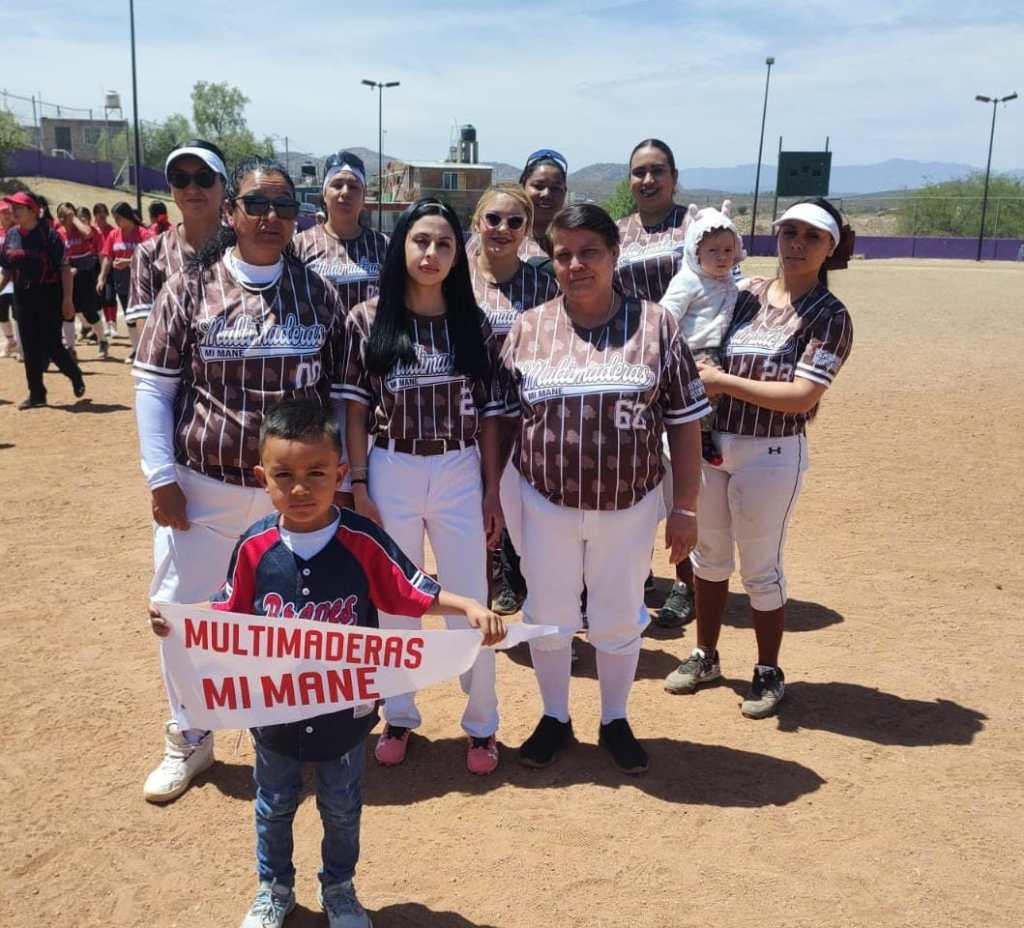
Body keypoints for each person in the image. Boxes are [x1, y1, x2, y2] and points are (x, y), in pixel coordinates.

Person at [149, 399, 506, 928]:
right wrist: (180, 618)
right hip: (273, 715)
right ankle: (275, 889)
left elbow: (410, 592)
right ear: (262, 479)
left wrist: (469, 606)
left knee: (341, 810)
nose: (300, 488)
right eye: (283, 475)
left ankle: (339, 889)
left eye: (316, 474)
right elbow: (227, 611)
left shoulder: (361, 542)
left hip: (346, 717)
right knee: (273, 806)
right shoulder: (255, 547)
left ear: (340, 474)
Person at [134, 155, 348, 803]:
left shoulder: (317, 293)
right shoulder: (190, 288)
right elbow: (152, 384)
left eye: (283, 206)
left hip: (294, 498)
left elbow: (339, 393)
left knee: (292, 615)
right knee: (181, 612)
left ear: (297, 217)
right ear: (232, 213)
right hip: (204, 488)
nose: (270, 217)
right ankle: (190, 737)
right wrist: (160, 474)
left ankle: (288, 728)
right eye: (257, 204)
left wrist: (338, 473)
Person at [499, 204, 707, 773]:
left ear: (615, 255)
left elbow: (685, 422)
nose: (576, 264)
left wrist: (685, 508)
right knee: (548, 613)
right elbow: (502, 420)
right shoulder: (528, 327)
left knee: (617, 615)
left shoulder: (657, 325)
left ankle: (615, 717)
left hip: (630, 502)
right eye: (563, 254)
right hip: (544, 500)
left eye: (589, 251)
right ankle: (555, 716)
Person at [663, 198, 855, 718]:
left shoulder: (829, 316)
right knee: (709, 556)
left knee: (761, 567)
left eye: (811, 237)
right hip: (713, 445)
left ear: (830, 248)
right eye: (789, 232)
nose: (796, 244)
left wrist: (722, 381)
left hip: (771, 450)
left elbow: (801, 396)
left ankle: (768, 668)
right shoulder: (742, 292)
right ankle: (706, 654)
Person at [341, 198, 507, 776]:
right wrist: (359, 483)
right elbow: (355, 411)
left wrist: (491, 490)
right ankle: (400, 713)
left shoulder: (473, 321)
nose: (431, 253)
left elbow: (489, 412)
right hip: (391, 468)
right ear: (401, 247)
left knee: (471, 599)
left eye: (442, 243)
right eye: (420, 241)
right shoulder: (368, 318)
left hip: (459, 467)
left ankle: (483, 724)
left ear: (458, 253)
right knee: (395, 600)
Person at [468, 183, 560, 615]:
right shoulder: (455, 279)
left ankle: (546, 617)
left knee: (530, 528)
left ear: (526, 230)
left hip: (524, 425)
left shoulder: (543, 288)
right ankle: (483, 614)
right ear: (477, 222)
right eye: (493, 219)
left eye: (514, 221)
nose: (502, 228)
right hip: (462, 422)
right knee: (473, 529)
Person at [652, 208, 744, 626]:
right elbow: (665, 317)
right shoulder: (687, 280)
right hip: (691, 359)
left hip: (721, 361)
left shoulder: (733, 284)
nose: (722, 257)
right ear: (695, 250)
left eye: (729, 250)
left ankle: (692, 583)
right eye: (713, 250)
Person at [127, 139, 229, 344]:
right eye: (180, 179)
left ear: (225, 185)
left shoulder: (246, 248)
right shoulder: (149, 254)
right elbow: (147, 335)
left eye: (204, 178)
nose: (192, 188)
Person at [0, 191, 86, 408]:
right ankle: (37, 393)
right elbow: (7, 271)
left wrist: (68, 300)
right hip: (22, 296)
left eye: (17, 208)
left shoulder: (50, 236)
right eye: (12, 208)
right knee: (27, 346)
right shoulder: (11, 235)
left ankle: (74, 374)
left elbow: (65, 269)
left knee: (51, 344)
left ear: (32, 210)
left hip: (48, 294)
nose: (12, 212)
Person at [292, 151, 389, 310]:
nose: (345, 192)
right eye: (337, 185)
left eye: (353, 187)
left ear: (364, 196)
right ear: (324, 194)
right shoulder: (298, 246)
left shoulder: (383, 246)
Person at [97, 202, 152, 363]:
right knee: (130, 318)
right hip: (122, 282)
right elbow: (107, 257)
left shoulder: (143, 233)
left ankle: (147, 350)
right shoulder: (114, 234)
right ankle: (136, 350)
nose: (116, 222)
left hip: (141, 282)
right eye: (115, 218)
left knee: (143, 316)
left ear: (127, 217)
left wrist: (128, 262)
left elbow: (150, 255)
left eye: (118, 218)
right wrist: (102, 276)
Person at [55, 202, 109, 359]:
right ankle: (71, 349)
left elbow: (88, 233)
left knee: (89, 311)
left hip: (84, 273)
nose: (64, 218)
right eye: (62, 216)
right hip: (66, 274)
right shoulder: (58, 232)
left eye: (67, 215)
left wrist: (74, 218)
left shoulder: (81, 229)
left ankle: (102, 340)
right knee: (67, 311)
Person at [91, 203, 118, 338]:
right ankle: (100, 326)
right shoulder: (92, 230)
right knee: (98, 298)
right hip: (94, 266)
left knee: (109, 296)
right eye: (98, 212)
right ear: (94, 215)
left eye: (104, 212)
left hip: (110, 265)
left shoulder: (112, 230)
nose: (101, 215)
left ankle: (112, 324)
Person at [0, 202, 19, 359]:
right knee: (1, 313)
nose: (6, 215)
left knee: (17, 313)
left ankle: (21, 345)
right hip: (1, 278)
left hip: (16, 278)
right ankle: (11, 341)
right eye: (2, 212)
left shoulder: (16, 231)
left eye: (8, 211)